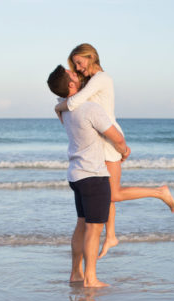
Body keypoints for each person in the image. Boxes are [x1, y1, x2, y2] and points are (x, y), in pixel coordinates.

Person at [55, 43, 174, 259]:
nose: (78, 67)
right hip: (99, 139)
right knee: (105, 193)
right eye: (74, 64)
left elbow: (72, 103)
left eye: (79, 62)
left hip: (109, 139)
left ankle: (159, 192)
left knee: (112, 193)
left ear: (91, 56)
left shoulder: (102, 79)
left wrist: (58, 107)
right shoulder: (89, 82)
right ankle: (111, 235)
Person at [47, 64, 130, 288]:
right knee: (94, 229)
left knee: (81, 225)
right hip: (94, 175)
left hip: (76, 176)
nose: (78, 73)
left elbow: (61, 106)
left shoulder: (63, 109)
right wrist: (123, 151)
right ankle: (91, 278)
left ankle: (76, 273)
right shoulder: (90, 109)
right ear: (72, 85)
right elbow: (116, 137)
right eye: (73, 74)